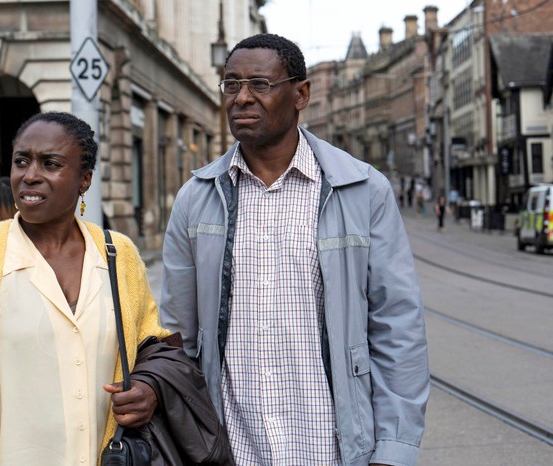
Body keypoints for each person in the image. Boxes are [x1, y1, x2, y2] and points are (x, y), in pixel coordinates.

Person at [160, 33, 429, 466]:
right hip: (231, 451)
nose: (241, 98)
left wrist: (393, 450)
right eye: (231, 85)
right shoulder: (196, 198)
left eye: (260, 85)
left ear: (301, 93)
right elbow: (177, 336)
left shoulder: (362, 190)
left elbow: (398, 327)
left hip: (334, 449)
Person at [0, 112, 169, 465]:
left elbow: (150, 345)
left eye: (50, 164)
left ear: (85, 180)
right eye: (21, 161)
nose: (30, 175)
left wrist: (150, 389)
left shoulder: (117, 254)